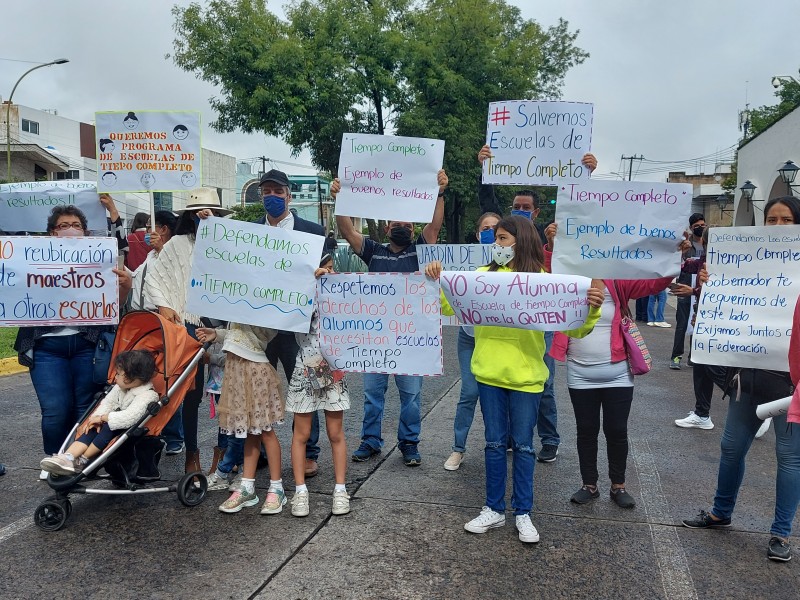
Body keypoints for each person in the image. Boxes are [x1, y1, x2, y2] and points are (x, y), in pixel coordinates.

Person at [427, 216, 604, 543]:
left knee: (523, 446)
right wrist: (437, 280)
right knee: (494, 443)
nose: (497, 246)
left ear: (520, 242)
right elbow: (449, 306)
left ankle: (523, 512)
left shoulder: (545, 281)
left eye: (503, 239)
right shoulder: (480, 278)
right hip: (489, 374)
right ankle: (493, 509)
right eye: (496, 240)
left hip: (527, 378)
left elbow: (575, 328)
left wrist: (591, 308)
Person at [682, 196, 800, 563]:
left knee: (790, 461)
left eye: (786, 220)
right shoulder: (747, 262)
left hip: (789, 388)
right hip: (744, 380)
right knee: (731, 449)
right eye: (772, 219)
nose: (778, 226)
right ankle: (721, 512)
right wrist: (710, 285)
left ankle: (781, 534)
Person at [475, 144, 597, 464]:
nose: (520, 210)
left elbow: (579, 211)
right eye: (516, 205)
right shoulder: (505, 238)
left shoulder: (551, 235)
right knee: (510, 385)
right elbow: (487, 202)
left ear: (537, 212)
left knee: (542, 384)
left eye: (526, 206)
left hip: (539, 322)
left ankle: (550, 438)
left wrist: (585, 177)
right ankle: (518, 438)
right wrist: (485, 169)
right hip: (505, 319)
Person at [545, 223, 673, 508]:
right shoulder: (566, 278)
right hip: (579, 372)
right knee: (586, 430)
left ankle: (618, 486)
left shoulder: (618, 279)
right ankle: (589, 485)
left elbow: (654, 283)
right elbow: (543, 276)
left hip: (617, 373)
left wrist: (673, 258)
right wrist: (552, 246)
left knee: (617, 431)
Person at [335, 168, 449, 466]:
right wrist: (340, 198)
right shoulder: (373, 251)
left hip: (411, 338)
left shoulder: (421, 249)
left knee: (411, 396)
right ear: (387, 229)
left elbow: (435, 225)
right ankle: (370, 440)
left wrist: (439, 192)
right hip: (376, 337)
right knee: (373, 394)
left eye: (407, 223)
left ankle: (409, 443)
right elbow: (347, 230)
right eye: (397, 223)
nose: (403, 227)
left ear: (413, 228)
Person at [14, 197, 131, 480]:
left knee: (85, 407)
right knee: (55, 410)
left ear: (86, 232)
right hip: (45, 347)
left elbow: (115, 307)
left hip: (86, 345)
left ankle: (79, 461)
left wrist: (125, 288)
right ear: (52, 232)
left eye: (75, 225)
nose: (69, 229)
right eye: (63, 225)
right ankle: (56, 461)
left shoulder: (97, 260)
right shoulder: (31, 259)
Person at [144, 188, 232, 472]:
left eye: (211, 213)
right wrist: (164, 306)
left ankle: (222, 454)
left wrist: (217, 231)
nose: (204, 218)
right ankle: (191, 455)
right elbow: (154, 281)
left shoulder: (230, 245)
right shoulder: (177, 245)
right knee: (191, 395)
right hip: (188, 326)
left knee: (225, 394)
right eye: (198, 213)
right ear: (189, 217)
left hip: (222, 327)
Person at [257, 169, 326, 479]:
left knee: (308, 388)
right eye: (266, 191)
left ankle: (310, 452)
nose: (272, 196)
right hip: (260, 328)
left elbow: (327, 273)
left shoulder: (313, 231)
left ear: (289, 195)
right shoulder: (248, 233)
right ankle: (258, 450)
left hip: (297, 326)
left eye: (277, 191)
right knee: (258, 389)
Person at [196, 320, 285, 515]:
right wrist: (217, 333)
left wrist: (219, 333)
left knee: (265, 431)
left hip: (255, 368)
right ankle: (247, 486)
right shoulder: (242, 300)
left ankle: (276, 488)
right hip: (235, 369)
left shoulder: (265, 305)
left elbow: (258, 333)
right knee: (249, 431)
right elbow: (236, 333)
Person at [287, 253, 351, 516]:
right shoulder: (297, 297)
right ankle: (300, 491)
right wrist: (310, 289)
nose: (328, 272)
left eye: (332, 268)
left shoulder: (341, 296)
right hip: (305, 366)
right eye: (323, 268)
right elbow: (294, 323)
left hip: (332, 369)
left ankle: (340, 490)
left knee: (335, 432)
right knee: (301, 433)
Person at [39, 350, 158, 476]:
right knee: (91, 428)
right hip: (112, 422)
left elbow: (130, 417)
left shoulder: (148, 395)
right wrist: (95, 419)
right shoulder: (120, 388)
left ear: (130, 377)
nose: (115, 377)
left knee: (107, 428)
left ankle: (83, 460)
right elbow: (108, 403)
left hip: (129, 430)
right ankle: (67, 457)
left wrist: (103, 418)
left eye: (118, 374)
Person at [444, 211, 501, 471]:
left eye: (497, 230)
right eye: (486, 229)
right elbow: (448, 301)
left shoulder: (515, 265)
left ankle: (499, 444)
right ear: (478, 234)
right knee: (469, 392)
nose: (491, 233)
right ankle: (458, 448)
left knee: (498, 395)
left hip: (499, 340)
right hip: (470, 338)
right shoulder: (465, 263)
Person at [670, 213, 705, 369]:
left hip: (699, 291)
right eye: (697, 226)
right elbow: (678, 265)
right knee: (682, 323)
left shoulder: (707, 245)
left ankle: (693, 356)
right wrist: (682, 252)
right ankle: (676, 357)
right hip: (685, 288)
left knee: (697, 322)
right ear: (691, 228)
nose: (700, 228)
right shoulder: (686, 244)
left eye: (703, 225)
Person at [128, 210, 177, 311]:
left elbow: (173, 276)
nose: (146, 232)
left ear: (163, 229)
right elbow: (136, 277)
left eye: (149, 227)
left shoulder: (175, 254)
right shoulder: (151, 254)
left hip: (157, 317)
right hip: (140, 315)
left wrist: (160, 250)